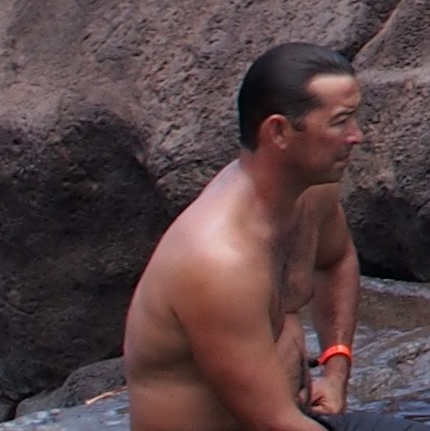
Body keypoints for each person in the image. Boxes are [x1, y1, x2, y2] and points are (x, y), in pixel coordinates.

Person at [122, 43, 395, 431]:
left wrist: (335, 371)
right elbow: (273, 425)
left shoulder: (311, 191)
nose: (358, 136)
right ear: (279, 131)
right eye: (340, 122)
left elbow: (336, 260)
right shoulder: (218, 260)